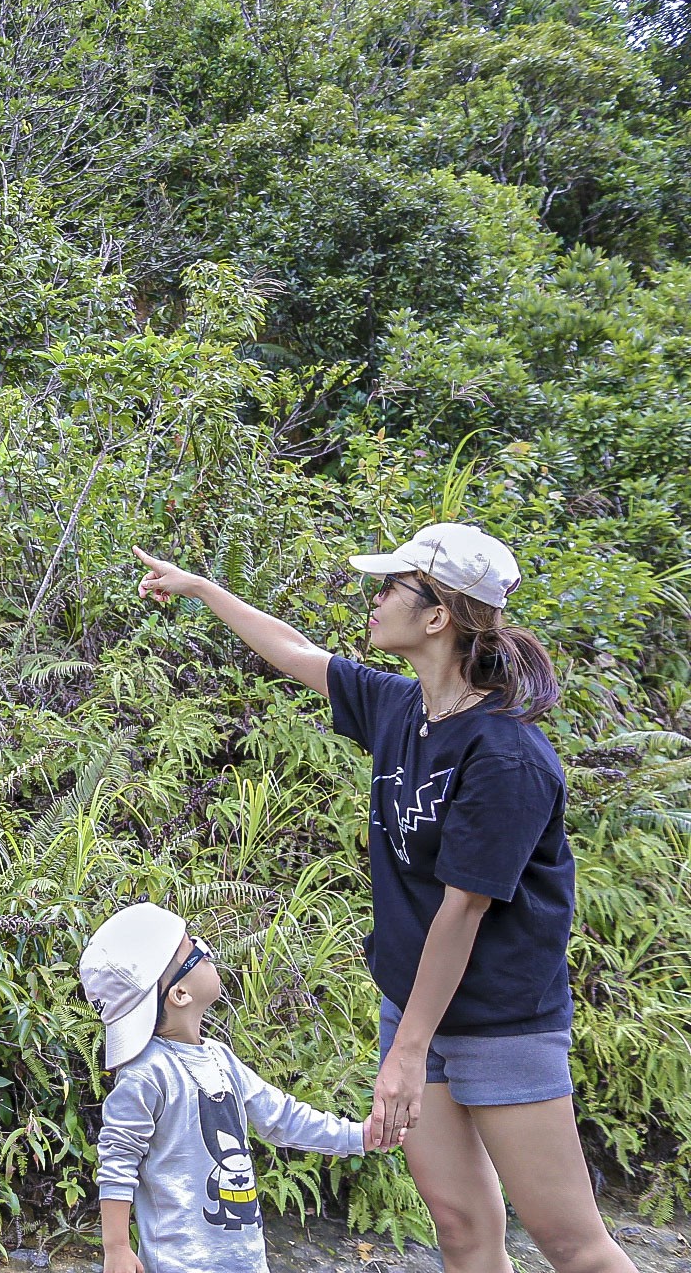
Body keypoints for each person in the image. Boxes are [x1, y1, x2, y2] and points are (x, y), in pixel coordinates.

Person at [132, 523, 636, 1273]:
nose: (372, 600)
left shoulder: (507, 757)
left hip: (502, 1021)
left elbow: (461, 913)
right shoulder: (402, 708)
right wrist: (203, 589)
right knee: (463, 1229)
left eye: (388, 588)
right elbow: (297, 652)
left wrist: (404, 1057)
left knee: (572, 1245)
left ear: (436, 616)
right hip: (414, 1004)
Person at [80, 902, 379, 1273]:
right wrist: (117, 1247)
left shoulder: (221, 1059)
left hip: (245, 1259)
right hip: (180, 1263)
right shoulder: (146, 1074)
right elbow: (118, 1159)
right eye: (196, 949)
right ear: (180, 994)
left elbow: (281, 1116)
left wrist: (359, 1136)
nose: (208, 952)